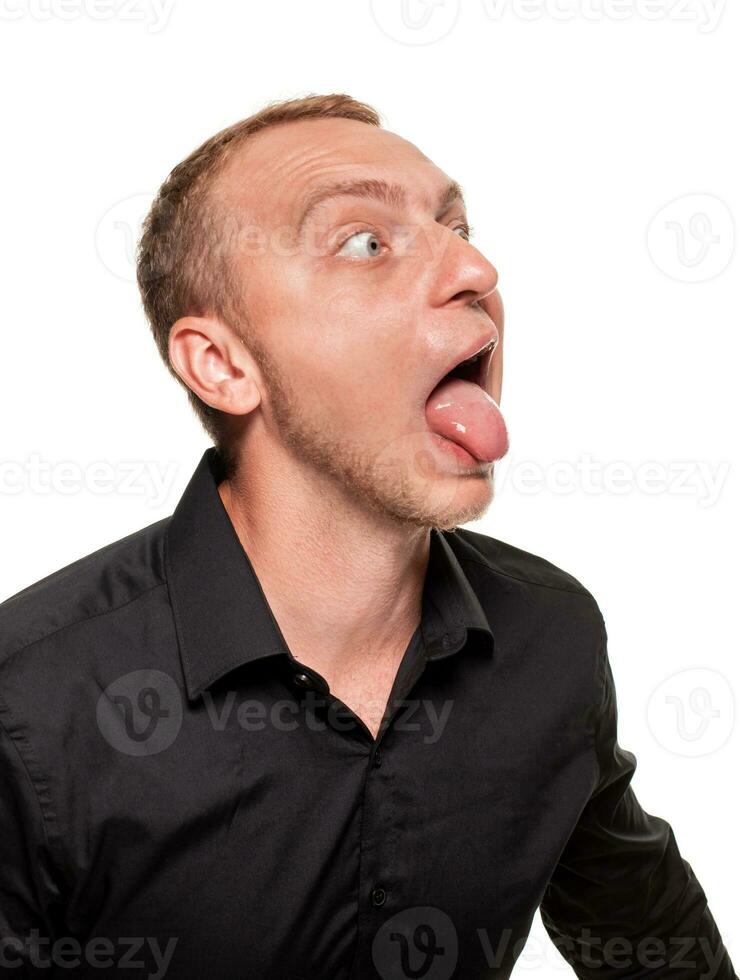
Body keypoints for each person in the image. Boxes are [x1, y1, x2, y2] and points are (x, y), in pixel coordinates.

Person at [0, 93, 734, 979]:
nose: (475, 267)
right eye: (365, 242)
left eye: (455, 225)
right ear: (225, 365)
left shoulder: (552, 637)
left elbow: (649, 935)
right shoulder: (30, 709)